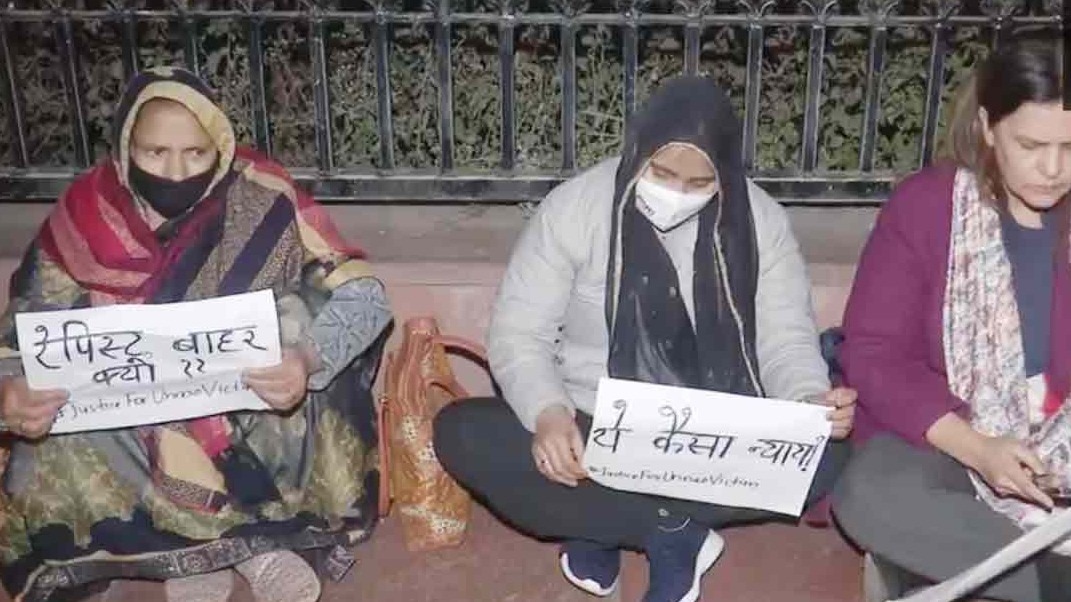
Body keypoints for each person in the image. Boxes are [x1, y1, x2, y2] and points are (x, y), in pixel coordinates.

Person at [433, 76, 856, 602]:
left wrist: (808, 404)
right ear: (637, 149)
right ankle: (673, 533)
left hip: (712, 432)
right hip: (593, 423)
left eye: (699, 183)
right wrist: (548, 414)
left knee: (834, 458)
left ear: (724, 174)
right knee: (461, 432)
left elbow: (785, 342)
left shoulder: (760, 222)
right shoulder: (577, 209)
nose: (676, 193)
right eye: (661, 172)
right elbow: (519, 332)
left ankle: (604, 523)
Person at [0, 67, 392, 602]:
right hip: (134, 416)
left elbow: (362, 295)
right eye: (154, 153)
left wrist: (308, 359)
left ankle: (260, 546)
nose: (176, 170)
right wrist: (11, 389)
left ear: (222, 147)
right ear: (124, 149)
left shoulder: (265, 197)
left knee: (308, 339)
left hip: (248, 410)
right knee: (54, 411)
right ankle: (178, 555)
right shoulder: (86, 213)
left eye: (196, 154)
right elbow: (24, 322)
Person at [830, 32, 1071, 602]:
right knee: (870, 493)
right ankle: (1041, 579)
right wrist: (979, 449)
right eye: (1031, 145)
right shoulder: (927, 206)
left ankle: (993, 576)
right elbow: (873, 353)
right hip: (955, 434)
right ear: (989, 128)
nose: (1054, 169)